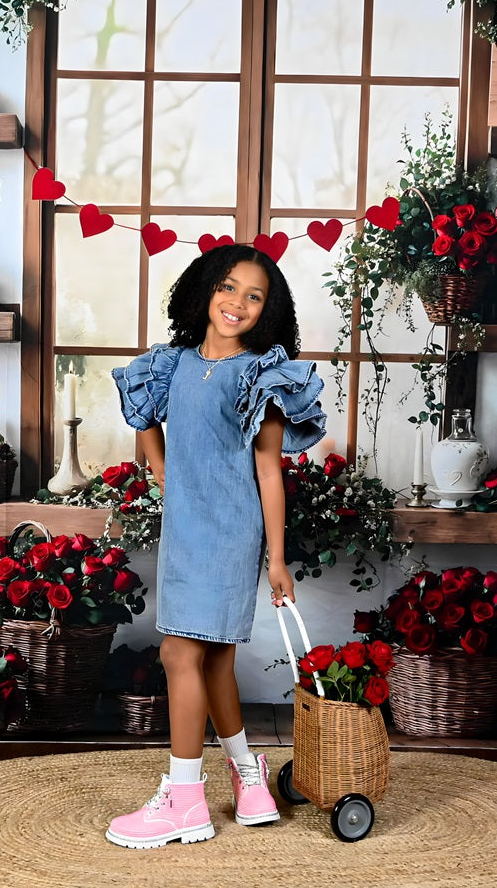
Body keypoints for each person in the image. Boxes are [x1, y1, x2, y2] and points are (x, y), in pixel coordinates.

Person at [106, 244, 326, 849]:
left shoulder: (262, 373)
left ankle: (184, 801)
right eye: (229, 288)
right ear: (205, 289)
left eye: (254, 296)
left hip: (231, 529)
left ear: (269, 309)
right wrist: (162, 474)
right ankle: (250, 782)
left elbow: (270, 471)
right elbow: (143, 417)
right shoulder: (171, 363)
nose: (237, 303)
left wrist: (276, 557)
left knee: (179, 655)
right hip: (184, 527)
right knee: (215, 662)